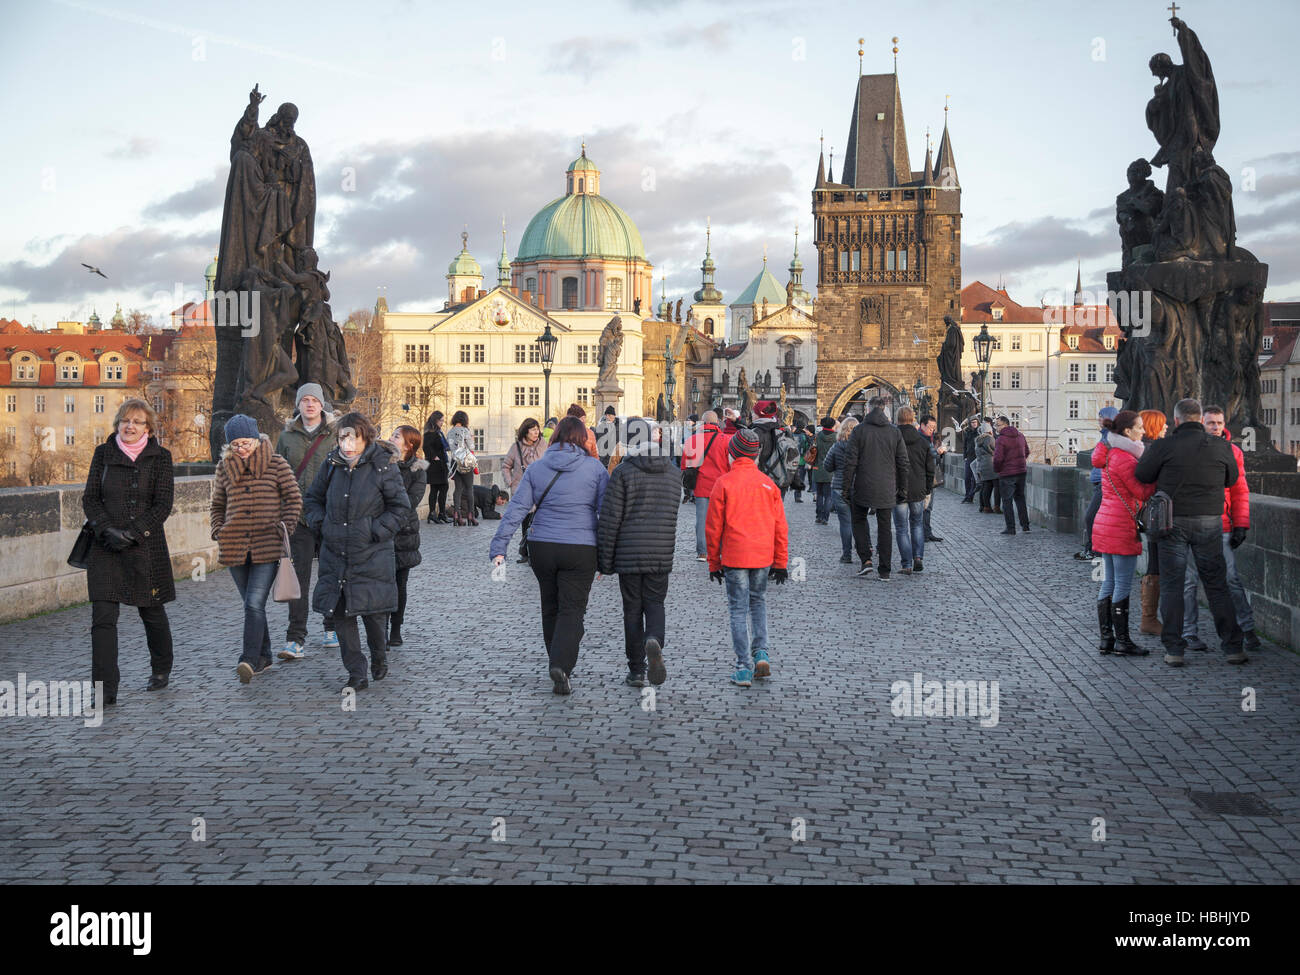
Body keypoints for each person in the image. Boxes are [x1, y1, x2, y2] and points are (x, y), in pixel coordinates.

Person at [490, 416, 609, 695]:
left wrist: (499, 547)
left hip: (542, 546)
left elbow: (517, 509)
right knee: (572, 610)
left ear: (554, 438)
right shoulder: (595, 469)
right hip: (580, 547)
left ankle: (555, 660)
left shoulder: (537, 468)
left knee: (550, 606)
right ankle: (561, 665)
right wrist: (607, 556)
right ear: (582, 439)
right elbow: (606, 516)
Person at [1134, 398, 1247, 666]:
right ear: (1199, 419)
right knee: (1216, 585)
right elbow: (1231, 480)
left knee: (1173, 585)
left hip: (1171, 522)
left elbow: (1142, 474)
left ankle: (1174, 649)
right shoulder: (1222, 446)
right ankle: (1233, 647)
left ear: (1176, 421)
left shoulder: (1164, 446)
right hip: (1209, 520)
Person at [303, 412, 410, 691]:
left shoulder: (383, 465)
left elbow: (400, 508)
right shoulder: (331, 464)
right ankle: (356, 672)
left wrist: (374, 531)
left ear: (366, 438)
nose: (347, 444)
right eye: (342, 437)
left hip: (370, 554)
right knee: (342, 615)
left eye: (354, 438)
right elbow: (312, 500)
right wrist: (322, 524)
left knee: (373, 614)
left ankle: (379, 656)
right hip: (335, 552)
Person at [82, 398, 176, 706]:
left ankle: (161, 669)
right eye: (125, 420)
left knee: (152, 611)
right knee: (103, 618)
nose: (130, 426)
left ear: (147, 427)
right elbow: (90, 499)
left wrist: (133, 533)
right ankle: (104, 688)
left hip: (145, 547)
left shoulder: (161, 458)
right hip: (105, 547)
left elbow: (162, 505)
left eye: (137, 421)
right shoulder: (103, 454)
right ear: (117, 424)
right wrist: (108, 530)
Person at [210, 414, 302, 685]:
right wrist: (218, 530)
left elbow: (293, 497)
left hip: (267, 545)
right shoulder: (224, 467)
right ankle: (264, 656)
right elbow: (217, 504)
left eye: (246, 442)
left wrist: (284, 527)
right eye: (236, 444)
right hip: (234, 545)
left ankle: (248, 659)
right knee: (251, 605)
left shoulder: (276, 463)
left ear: (256, 439)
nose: (241, 448)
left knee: (254, 603)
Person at [596, 417, 680, 687]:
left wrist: (604, 563)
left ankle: (636, 670)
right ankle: (653, 638)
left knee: (632, 610)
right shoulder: (672, 473)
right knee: (655, 603)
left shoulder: (622, 472)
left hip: (628, 555)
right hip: (660, 552)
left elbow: (610, 520)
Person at [706, 429, 789, 687]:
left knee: (738, 610)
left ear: (732, 454)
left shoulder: (724, 483)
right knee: (758, 603)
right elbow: (780, 527)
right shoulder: (768, 484)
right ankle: (761, 652)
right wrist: (781, 562)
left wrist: (713, 562)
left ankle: (743, 667)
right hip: (762, 556)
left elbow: (712, 528)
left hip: (734, 556)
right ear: (756, 455)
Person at [1180, 406, 1259, 653]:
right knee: (1190, 581)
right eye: (1211, 423)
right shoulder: (1189, 448)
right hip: (1194, 522)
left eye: (1219, 423)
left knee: (1231, 579)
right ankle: (1189, 633)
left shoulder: (1233, 451)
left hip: (1222, 523)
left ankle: (1247, 628)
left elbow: (1239, 490)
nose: (1215, 427)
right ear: (1200, 423)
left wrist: (1241, 524)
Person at [275, 382, 338, 660]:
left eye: (314, 400)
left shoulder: (336, 434)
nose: (310, 404)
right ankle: (295, 638)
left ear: (322, 404)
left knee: (331, 573)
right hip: (298, 516)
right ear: (298, 405)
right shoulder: (287, 436)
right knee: (297, 578)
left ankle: (331, 626)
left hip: (329, 515)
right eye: (305, 400)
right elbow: (277, 473)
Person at [1090, 410, 1155, 655]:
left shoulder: (1108, 453)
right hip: (1121, 525)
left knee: (1108, 582)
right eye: (1139, 427)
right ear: (1127, 431)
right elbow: (1142, 492)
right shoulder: (1125, 458)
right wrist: (1156, 479)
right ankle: (1123, 641)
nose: (1143, 431)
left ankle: (1107, 639)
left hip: (1105, 523)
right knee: (1122, 584)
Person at [842, 396, 909, 580]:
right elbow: (903, 462)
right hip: (887, 486)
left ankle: (866, 560)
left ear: (868, 410)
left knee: (859, 520)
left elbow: (850, 462)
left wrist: (845, 488)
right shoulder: (894, 432)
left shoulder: (859, 430)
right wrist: (903, 489)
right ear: (885, 410)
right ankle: (885, 570)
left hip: (863, 484)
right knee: (885, 527)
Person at [388, 425, 427, 648]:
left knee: (399, 583)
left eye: (396, 436)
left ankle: (396, 628)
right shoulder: (381, 462)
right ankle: (379, 628)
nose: (391, 438)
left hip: (404, 532)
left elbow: (412, 501)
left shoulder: (417, 468)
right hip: (381, 532)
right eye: (392, 434)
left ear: (408, 444)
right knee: (382, 583)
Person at [681, 410, 732, 562]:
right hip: (721, 486)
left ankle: (702, 552)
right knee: (721, 519)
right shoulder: (726, 439)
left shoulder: (692, 440)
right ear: (717, 423)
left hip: (701, 486)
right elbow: (730, 465)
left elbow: (685, 465)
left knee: (701, 520)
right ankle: (721, 550)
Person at [1137, 409, 1169, 635]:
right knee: (1157, 564)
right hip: (1158, 513)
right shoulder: (1153, 450)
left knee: (1154, 563)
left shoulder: (1143, 448)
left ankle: (1149, 617)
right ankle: (1149, 619)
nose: (1166, 428)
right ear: (1154, 426)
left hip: (1152, 513)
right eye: (1163, 424)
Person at [894, 408, 934, 575]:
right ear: (913, 419)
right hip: (918, 488)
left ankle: (906, 564)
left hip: (898, 489)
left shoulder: (893, 439)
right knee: (917, 524)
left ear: (898, 419)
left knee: (901, 528)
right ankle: (918, 557)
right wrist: (928, 490)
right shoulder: (923, 442)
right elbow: (930, 469)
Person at [1075, 406, 1118, 560]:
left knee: (1091, 517)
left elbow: (1101, 460)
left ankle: (1095, 550)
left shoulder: (1110, 437)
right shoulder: (1105, 436)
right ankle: (1092, 549)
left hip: (1104, 483)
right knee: (1095, 518)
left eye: (1101, 417)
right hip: (1100, 482)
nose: (1098, 419)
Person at [503, 418, 545, 563]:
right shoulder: (516, 447)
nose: (536, 432)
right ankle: (525, 552)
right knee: (525, 522)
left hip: (540, 490)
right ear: (525, 431)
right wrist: (510, 482)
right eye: (533, 429)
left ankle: (536, 552)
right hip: (523, 490)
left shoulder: (543, 445)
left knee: (539, 522)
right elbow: (506, 466)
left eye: (537, 429)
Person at [822, 416, 858, 563]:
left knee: (845, 523)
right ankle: (865, 551)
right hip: (858, 487)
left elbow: (827, 466)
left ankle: (847, 554)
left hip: (839, 487)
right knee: (859, 521)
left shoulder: (837, 446)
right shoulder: (862, 447)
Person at [993, 416, 1030, 535]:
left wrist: (998, 470)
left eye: (998, 425)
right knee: (1020, 498)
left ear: (1005, 425)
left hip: (1007, 473)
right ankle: (1025, 526)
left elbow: (998, 459)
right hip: (1021, 471)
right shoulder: (1020, 436)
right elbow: (1027, 452)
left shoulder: (1001, 439)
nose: (996, 427)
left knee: (1007, 501)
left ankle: (1011, 528)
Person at [445, 410, 477, 526]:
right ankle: (470, 515)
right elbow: (471, 446)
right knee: (469, 489)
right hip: (465, 461)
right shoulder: (465, 431)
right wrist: (471, 439)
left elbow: (448, 447)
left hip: (455, 462)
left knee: (457, 489)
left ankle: (456, 515)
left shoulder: (450, 432)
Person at [918, 414, 945, 542]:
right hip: (922, 478)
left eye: (934, 428)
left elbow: (933, 459)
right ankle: (922, 533)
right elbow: (925, 456)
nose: (932, 430)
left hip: (930, 477)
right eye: (930, 427)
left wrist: (940, 454)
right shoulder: (919, 438)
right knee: (923, 507)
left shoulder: (929, 438)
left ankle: (927, 532)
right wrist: (937, 452)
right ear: (922, 425)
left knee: (928, 507)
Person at [423, 410, 450, 524]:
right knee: (436, 489)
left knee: (442, 488)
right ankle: (434, 513)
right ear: (435, 420)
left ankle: (439, 513)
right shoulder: (430, 432)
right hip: (435, 465)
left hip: (441, 464)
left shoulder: (438, 432)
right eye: (441, 420)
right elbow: (426, 447)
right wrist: (434, 457)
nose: (442, 422)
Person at [811, 417, 838, 525]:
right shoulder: (836, 437)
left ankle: (818, 516)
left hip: (818, 468)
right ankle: (825, 518)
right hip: (830, 470)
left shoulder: (818, 436)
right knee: (828, 496)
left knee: (820, 494)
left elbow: (813, 450)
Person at [975, 421, 999, 512]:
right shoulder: (990, 439)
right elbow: (996, 450)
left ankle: (986, 507)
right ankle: (996, 506)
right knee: (997, 486)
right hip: (991, 465)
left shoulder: (977, 440)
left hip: (982, 465)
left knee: (986, 486)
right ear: (989, 430)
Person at [961, 415, 980, 503]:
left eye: (975, 422)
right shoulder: (967, 432)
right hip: (969, 457)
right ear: (970, 424)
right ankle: (967, 494)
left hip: (977, 457)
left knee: (974, 478)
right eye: (972, 422)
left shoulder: (979, 432)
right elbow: (964, 445)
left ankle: (970, 496)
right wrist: (964, 456)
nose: (974, 424)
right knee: (967, 477)